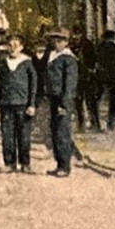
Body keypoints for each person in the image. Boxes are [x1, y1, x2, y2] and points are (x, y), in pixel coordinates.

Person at [0, 32, 38, 172]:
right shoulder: (2, 63)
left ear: (21, 47)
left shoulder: (27, 63)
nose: (13, 47)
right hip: (6, 104)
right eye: (10, 45)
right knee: (7, 135)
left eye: (16, 45)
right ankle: (9, 163)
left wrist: (31, 103)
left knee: (24, 135)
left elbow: (33, 84)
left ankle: (25, 163)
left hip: (23, 104)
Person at [43, 30, 78, 176]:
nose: (56, 43)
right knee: (55, 131)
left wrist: (64, 104)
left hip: (62, 100)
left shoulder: (68, 59)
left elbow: (69, 84)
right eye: (55, 40)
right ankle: (59, 164)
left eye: (60, 41)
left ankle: (65, 166)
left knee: (62, 132)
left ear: (66, 42)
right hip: (53, 98)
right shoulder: (53, 55)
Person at [92, 30, 115, 132]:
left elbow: (94, 60)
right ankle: (111, 122)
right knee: (113, 101)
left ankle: (96, 122)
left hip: (100, 77)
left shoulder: (99, 48)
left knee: (95, 99)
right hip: (113, 77)